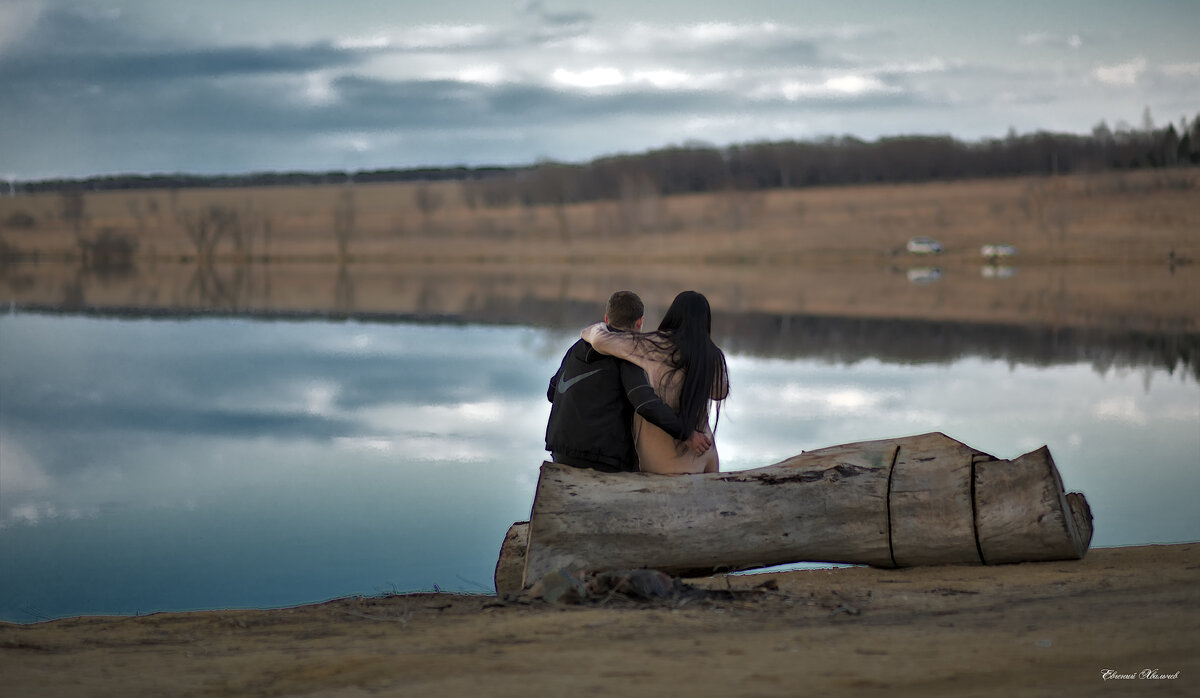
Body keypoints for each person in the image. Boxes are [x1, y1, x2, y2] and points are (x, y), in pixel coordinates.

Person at [546, 291, 712, 473]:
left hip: (560, 449)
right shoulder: (629, 355)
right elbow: (645, 403)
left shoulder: (576, 347)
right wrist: (686, 433)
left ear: (606, 318)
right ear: (640, 322)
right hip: (604, 459)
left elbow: (552, 392)